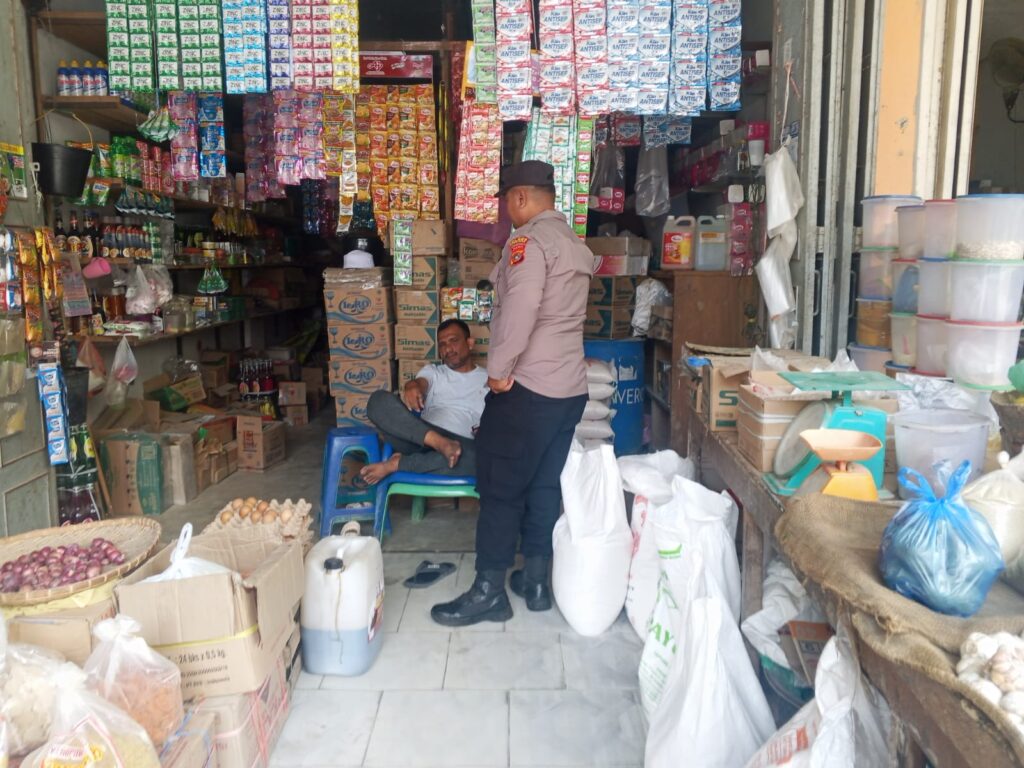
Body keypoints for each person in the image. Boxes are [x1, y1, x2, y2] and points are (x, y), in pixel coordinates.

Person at [432, 160, 592, 627]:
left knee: (500, 488)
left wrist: (499, 371)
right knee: (543, 485)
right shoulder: (573, 243)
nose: (506, 210)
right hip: (568, 390)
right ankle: (536, 583)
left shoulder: (528, 242)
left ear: (520, 197)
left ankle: (489, 592)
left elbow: (521, 306)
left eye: (506, 200)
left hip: (528, 390)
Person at [361, 319, 487, 484]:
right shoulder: (434, 372)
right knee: (378, 400)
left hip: (461, 445)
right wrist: (412, 387)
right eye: (442, 344)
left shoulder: (489, 379)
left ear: (470, 343)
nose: (448, 348)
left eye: (454, 341)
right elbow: (420, 383)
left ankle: (397, 464)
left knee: (484, 461)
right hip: (420, 438)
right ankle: (440, 444)